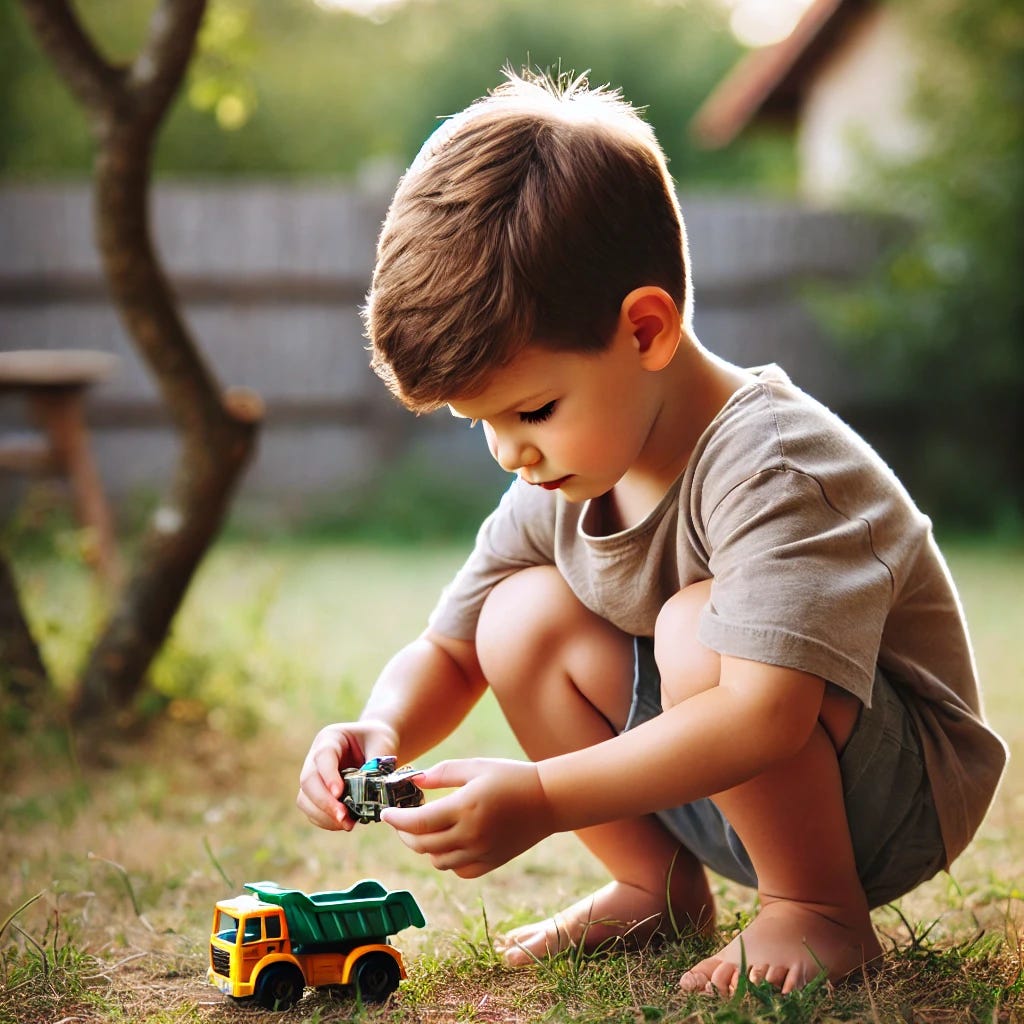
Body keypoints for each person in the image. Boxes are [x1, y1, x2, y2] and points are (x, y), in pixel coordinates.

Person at [297, 69, 1007, 995]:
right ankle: (655, 889)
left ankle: (822, 912)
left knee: (693, 623)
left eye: (535, 409)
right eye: (485, 424)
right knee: (516, 617)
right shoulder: (564, 472)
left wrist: (544, 798)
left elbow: (766, 712)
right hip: (720, 778)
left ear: (645, 329)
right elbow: (453, 646)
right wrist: (382, 727)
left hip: (890, 792)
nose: (510, 451)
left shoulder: (773, 462)